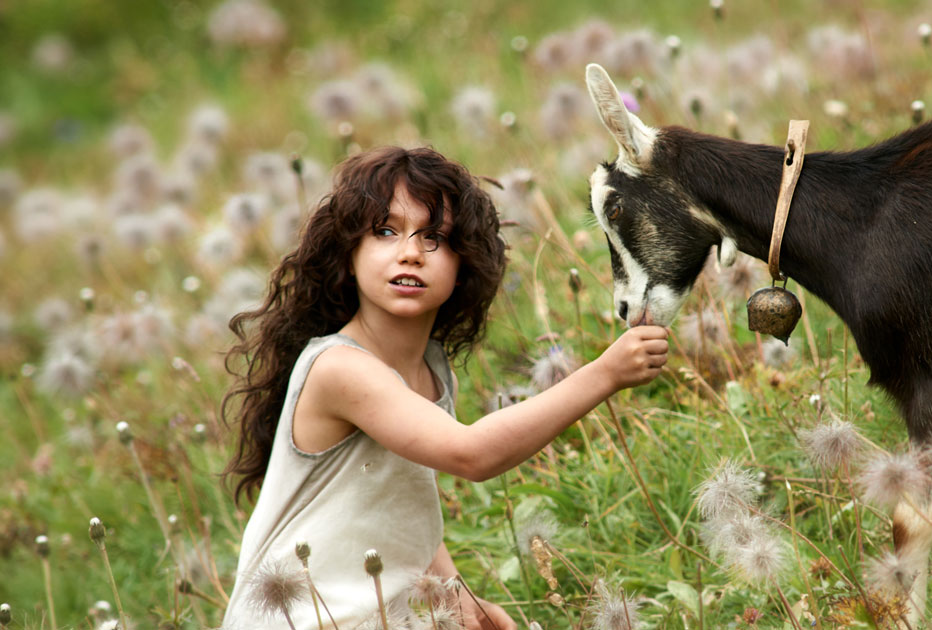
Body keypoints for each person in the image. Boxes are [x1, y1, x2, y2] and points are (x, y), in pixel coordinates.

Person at [219, 146, 669, 629]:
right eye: (386, 231)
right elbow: (472, 455)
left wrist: (459, 598)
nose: (410, 251)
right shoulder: (339, 369)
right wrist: (603, 374)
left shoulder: (434, 372)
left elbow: (405, 509)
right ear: (348, 256)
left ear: (463, 265)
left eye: (434, 237)